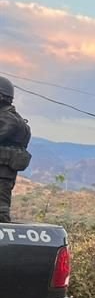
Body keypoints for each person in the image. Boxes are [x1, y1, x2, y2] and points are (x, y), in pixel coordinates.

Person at [0, 76, 32, 224]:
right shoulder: (11, 118)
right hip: (4, 174)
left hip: (2, 175)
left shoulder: (8, 120)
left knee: (1, 213)